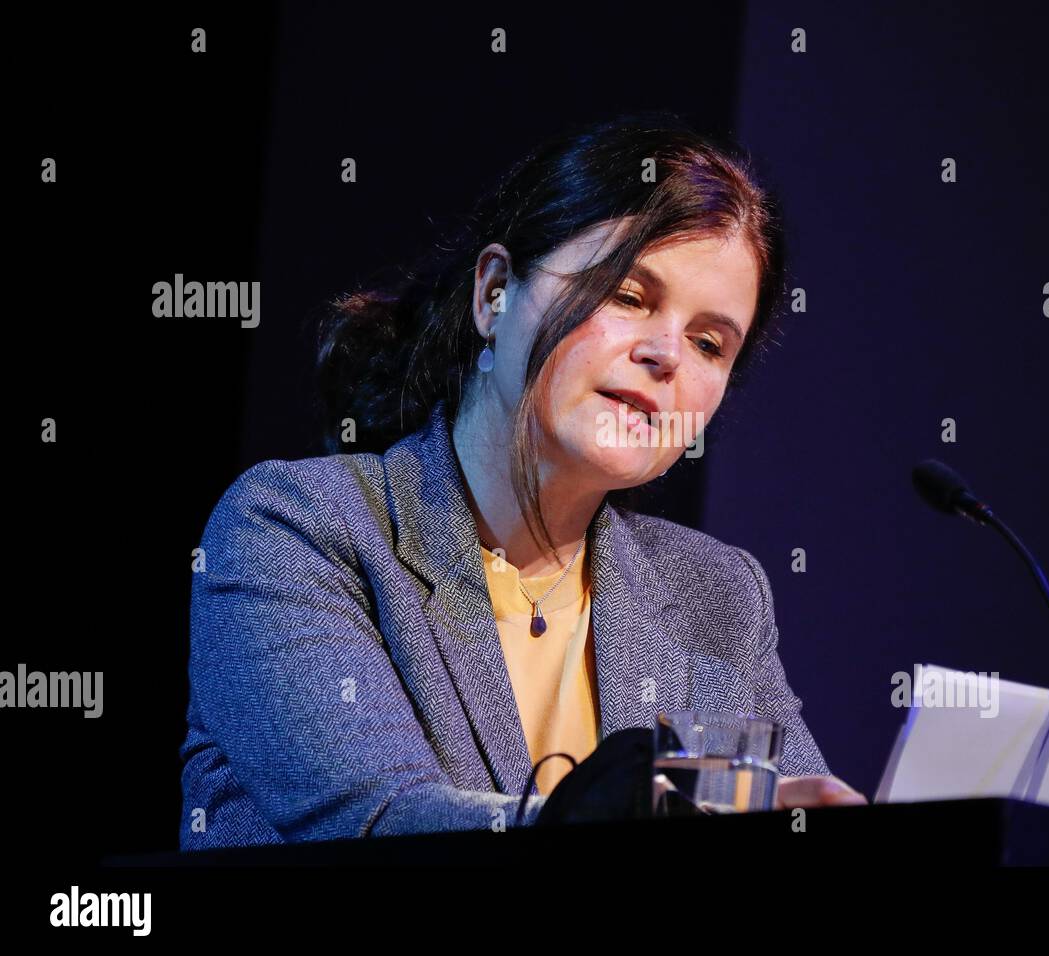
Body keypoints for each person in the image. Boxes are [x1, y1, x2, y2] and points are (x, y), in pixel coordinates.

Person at [178, 110, 867, 850]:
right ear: (495, 293)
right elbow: (379, 827)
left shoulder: (718, 595)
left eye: (709, 342)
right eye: (630, 296)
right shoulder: (301, 530)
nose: (668, 353)